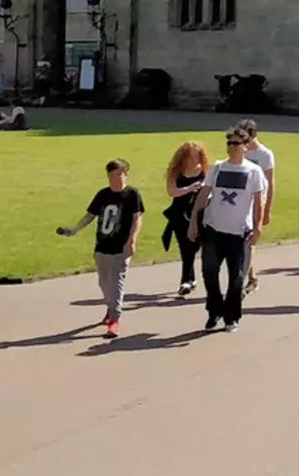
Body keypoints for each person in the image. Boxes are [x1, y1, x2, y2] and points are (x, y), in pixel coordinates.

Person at [57, 159, 144, 338]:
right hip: (102, 246)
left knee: (116, 283)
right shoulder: (103, 195)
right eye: (113, 175)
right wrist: (74, 230)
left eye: (120, 174)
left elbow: (137, 219)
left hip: (121, 248)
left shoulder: (132, 194)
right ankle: (110, 308)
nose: (117, 179)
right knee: (104, 283)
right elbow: (90, 215)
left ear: (126, 174)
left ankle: (114, 320)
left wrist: (132, 241)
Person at [189, 131, 267, 331]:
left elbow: (258, 202)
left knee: (237, 277)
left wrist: (258, 227)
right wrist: (194, 222)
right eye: (229, 144)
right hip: (214, 231)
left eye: (236, 144)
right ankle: (214, 311)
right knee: (209, 273)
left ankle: (232, 317)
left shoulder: (254, 171)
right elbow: (204, 194)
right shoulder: (217, 168)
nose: (232, 147)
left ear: (245, 146)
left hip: (239, 233)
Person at [161, 141, 211, 296]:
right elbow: (172, 191)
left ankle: (191, 279)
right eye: (189, 157)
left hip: (200, 214)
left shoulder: (205, 171)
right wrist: (190, 188)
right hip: (179, 213)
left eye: (196, 157)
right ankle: (186, 280)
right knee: (185, 247)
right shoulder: (176, 172)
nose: (193, 161)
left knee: (197, 246)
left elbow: (211, 190)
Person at [237, 118, 276, 297]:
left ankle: (245, 279)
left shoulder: (265, 154)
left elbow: (270, 182)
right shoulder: (240, 151)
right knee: (243, 240)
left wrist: (267, 209)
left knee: (250, 240)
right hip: (241, 200)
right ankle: (251, 278)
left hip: (258, 200)